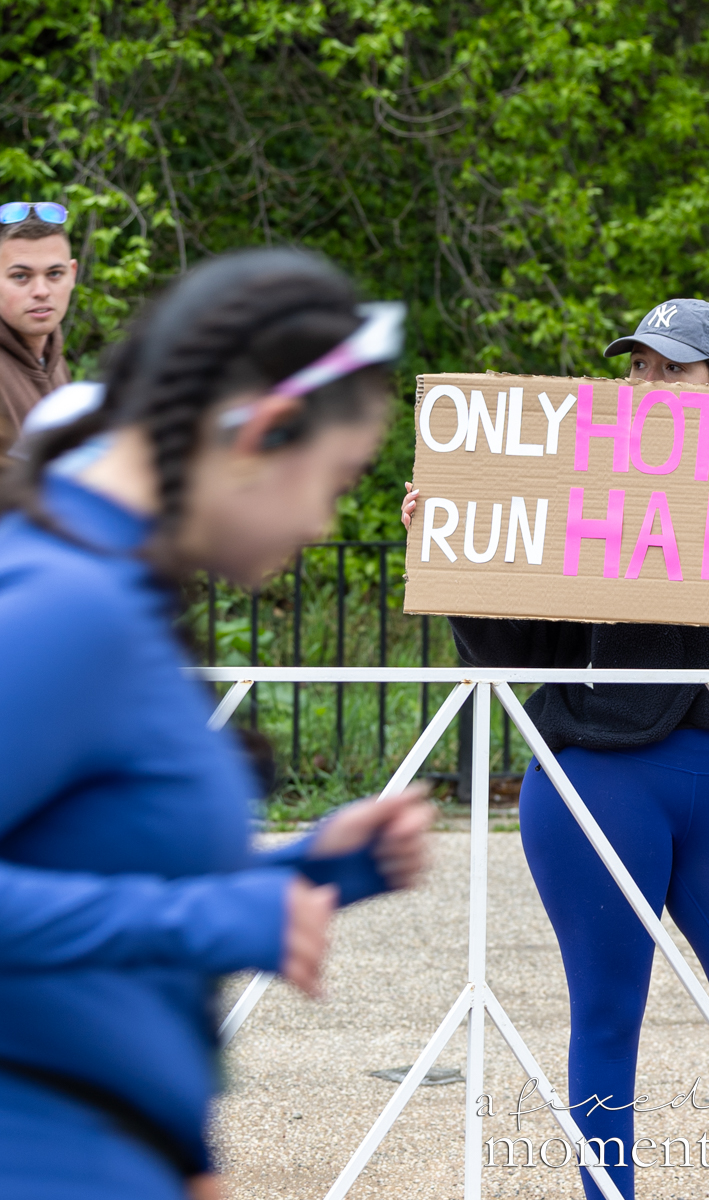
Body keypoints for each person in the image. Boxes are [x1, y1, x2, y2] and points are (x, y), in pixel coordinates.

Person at [402, 298, 709, 1200]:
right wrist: (450, 552)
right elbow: (515, 655)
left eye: (673, 367)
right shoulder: (579, 484)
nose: (646, 382)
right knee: (609, 1021)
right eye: (638, 365)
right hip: (598, 778)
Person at [0, 247, 433, 1200]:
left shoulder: (105, 589)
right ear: (266, 432)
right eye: (338, 477)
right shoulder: (70, 603)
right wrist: (213, 916)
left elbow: (88, 879)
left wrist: (305, 873)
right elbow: (159, 918)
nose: (326, 523)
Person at [0, 202, 77, 455]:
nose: (41, 291)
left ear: (72, 274)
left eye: (54, 274)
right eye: (21, 276)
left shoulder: (53, 355)